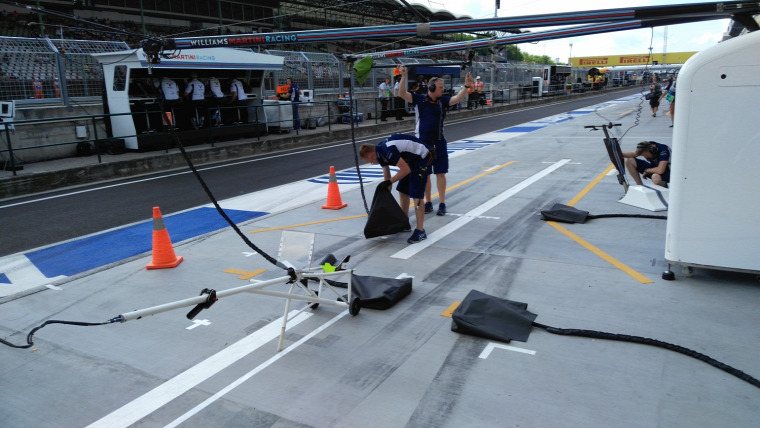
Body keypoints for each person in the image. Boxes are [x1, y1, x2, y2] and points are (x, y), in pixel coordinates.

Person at [397, 64, 473, 216]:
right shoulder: (419, 99)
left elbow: (457, 98)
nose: (442, 89)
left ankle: (442, 203)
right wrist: (403, 76)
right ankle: (428, 202)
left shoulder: (442, 101)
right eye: (440, 87)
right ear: (431, 88)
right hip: (422, 143)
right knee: (425, 174)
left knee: (440, 173)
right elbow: (402, 93)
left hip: (439, 141)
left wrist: (466, 85)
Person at [359, 134, 433, 244]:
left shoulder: (388, 150)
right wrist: (384, 194)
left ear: (370, 156)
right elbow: (387, 177)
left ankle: (420, 231)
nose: (371, 163)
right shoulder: (380, 153)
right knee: (403, 190)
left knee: (416, 195)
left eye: (369, 161)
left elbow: (405, 170)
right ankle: (404, 222)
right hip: (412, 160)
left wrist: (389, 182)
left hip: (424, 157)